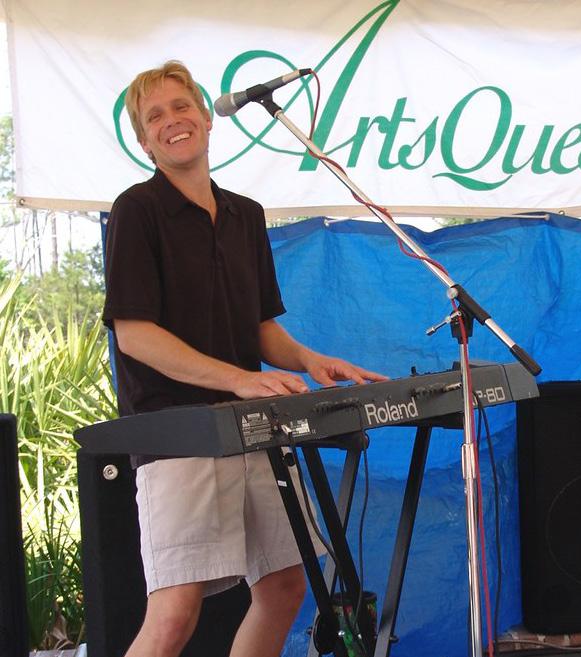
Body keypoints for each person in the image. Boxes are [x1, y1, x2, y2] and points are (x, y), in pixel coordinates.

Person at [102, 60, 386, 657]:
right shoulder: (137, 210)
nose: (173, 121)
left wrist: (309, 359)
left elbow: (259, 328)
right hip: (176, 434)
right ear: (144, 142)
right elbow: (134, 334)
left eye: (182, 106)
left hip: (252, 427)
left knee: (283, 587)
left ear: (207, 118)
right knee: (174, 613)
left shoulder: (245, 215)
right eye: (155, 116)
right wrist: (238, 380)